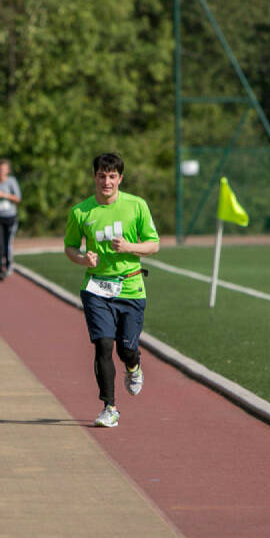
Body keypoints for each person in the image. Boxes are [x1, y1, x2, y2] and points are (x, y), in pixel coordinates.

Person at [64, 152, 159, 429]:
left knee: (126, 349)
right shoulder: (81, 211)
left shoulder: (137, 206)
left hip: (130, 288)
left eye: (112, 176)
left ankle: (134, 366)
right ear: (95, 177)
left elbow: (153, 244)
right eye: (102, 176)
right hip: (96, 288)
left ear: (120, 178)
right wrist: (82, 259)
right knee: (103, 345)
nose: (107, 181)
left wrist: (130, 247)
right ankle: (110, 407)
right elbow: (70, 246)